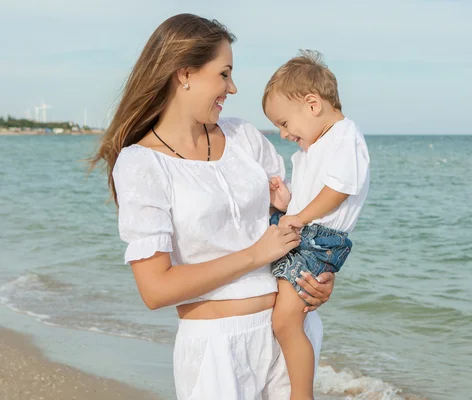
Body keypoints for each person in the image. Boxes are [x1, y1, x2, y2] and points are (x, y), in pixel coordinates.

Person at [89, 14, 335, 399]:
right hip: (218, 351)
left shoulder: (245, 138)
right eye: (224, 74)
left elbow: (293, 226)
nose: (232, 88)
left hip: (291, 334)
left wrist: (315, 278)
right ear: (184, 74)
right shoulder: (141, 164)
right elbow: (155, 289)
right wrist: (256, 254)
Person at [262, 50, 371, 400]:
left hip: (318, 240)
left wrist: (298, 216)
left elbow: (338, 190)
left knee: (285, 320)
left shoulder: (344, 135)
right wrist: (285, 205)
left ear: (312, 105)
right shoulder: (315, 145)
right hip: (304, 232)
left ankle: (301, 394)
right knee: (282, 314)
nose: (282, 133)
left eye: (284, 123)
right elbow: (312, 195)